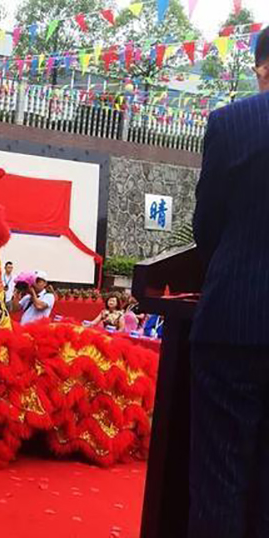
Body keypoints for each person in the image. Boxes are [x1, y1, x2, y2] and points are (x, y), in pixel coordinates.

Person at [188, 26, 269, 538]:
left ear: (263, 67)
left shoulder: (232, 123)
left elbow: (206, 230)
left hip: (234, 321)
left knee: (220, 479)